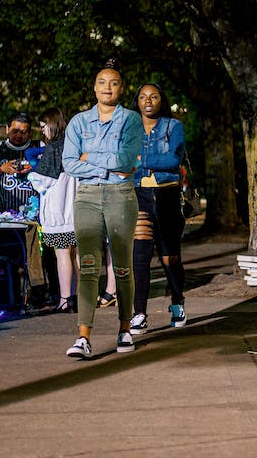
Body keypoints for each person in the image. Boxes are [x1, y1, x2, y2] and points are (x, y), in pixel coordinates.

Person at [62, 60, 143, 358]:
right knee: (88, 266)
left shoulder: (131, 120)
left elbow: (126, 160)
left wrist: (89, 156)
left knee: (122, 265)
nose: (107, 87)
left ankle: (124, 329)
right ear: (94, 87)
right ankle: (83, 337)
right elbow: (69, 163)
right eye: (102, 82)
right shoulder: (79, 122)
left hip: (120, 196)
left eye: (114, 82)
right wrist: (108, 159)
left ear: (121, 88)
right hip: (86, 196)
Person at [129, 83, 187, 335]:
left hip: (167, 195)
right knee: (140, 255)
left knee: (169, 256)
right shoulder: (130, 128)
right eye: (143, 97)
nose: (148, 100)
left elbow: (174, 159)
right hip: (139, 195)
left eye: (153, 96)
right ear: (138, 102)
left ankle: (177, 302)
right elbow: (124, 158)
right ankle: (139, 313)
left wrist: (142, 161)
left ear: (161, 100)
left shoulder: (173, 127)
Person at [28, 108, 78, 313]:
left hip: (60, 213)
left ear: (52, 124)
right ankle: (79, 298)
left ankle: (65, 300)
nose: (43, 132)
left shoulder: (53, 149)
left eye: (43, 127)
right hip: (78, 211)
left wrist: (31, 173)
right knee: (78, 256)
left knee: (63, 255)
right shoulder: (74, 146)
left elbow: (42, 181)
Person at [0, 112, 41, 215]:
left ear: (29, 132)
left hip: (31, 216)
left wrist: (36, 167)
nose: (18, 135)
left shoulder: (38, 148)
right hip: (0, 216)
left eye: (23, 132)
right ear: (7, 129)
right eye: (15, 131)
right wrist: (0, 169)